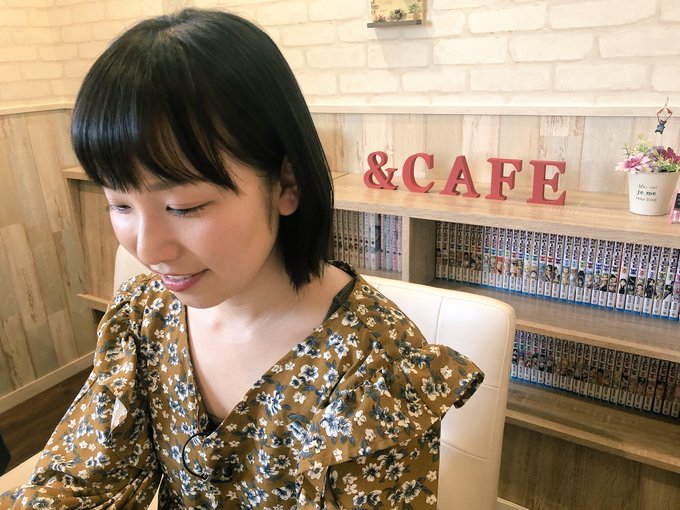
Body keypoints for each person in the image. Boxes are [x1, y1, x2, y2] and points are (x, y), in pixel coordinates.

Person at [0, 8, 483, 509]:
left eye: (184, 207)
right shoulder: (146, 317)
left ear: (286, 184)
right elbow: (84, 480)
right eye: (119, 204)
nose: (146, 249)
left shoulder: (371, 370)